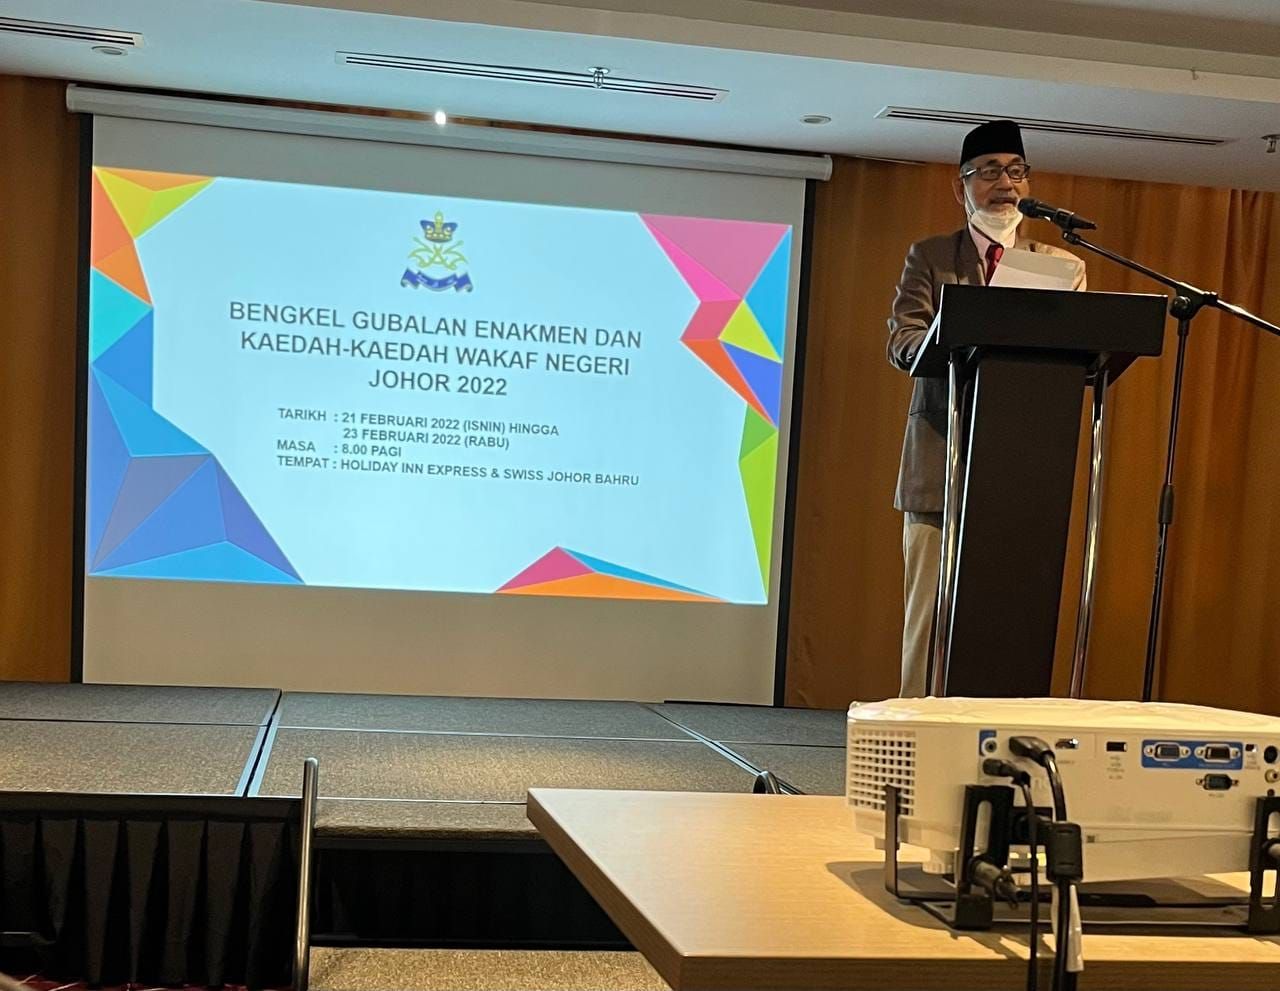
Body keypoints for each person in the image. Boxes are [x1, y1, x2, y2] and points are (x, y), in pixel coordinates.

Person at [887, 119, 1086, 698]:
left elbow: (1072, 357)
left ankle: (997, 724)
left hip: (1019, 468)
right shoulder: (931, 256)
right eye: (991, 172)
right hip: (940, 463)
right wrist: (961, 336)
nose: (1006, 184)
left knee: (1008, 617)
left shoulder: (1059, 266)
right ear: (962, 187)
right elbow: (903, 341)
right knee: (929, 618)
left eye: (1017, 171)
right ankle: (915, 726)